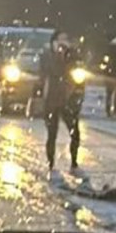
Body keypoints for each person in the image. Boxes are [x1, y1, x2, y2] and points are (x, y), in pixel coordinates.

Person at [39, 30, 83, 174]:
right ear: (54, 41)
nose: (63, 43)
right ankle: (51, 163)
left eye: (66, 39)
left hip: (68, 100)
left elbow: (78, 74)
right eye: (60, 39)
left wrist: (77, 95)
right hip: (52, 99)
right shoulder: (48, 56)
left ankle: (74, 162)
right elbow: (46, 72)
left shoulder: (72, 56)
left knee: (75, 132)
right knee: (52, 133)